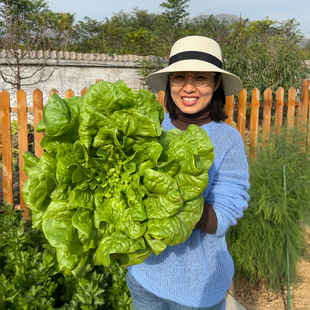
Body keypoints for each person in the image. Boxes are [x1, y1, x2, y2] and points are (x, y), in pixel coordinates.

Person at [126, 35, 250, 310]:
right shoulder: (149, 128)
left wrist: (167, 197)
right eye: (179, 77)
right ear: (170, 83)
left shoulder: (227, 140)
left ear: (216, 83)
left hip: (198, 290)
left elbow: (222, 218)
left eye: (201, 78)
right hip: (143, 276)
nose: (189, 88)